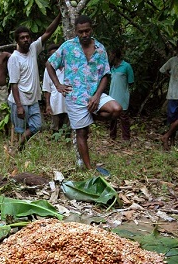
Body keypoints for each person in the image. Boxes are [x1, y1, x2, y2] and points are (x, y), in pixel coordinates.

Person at [46, 15, 122, 171]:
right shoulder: (68, 47)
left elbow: (105, 75)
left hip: (95, 95)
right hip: (74, 97)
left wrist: (96, 96)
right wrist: (58, 85)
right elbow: (49, 64)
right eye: (81, 32)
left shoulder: (100, 49)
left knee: (116, 109)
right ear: (76, 31)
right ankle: (89, 169)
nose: (84, 34)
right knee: (82, 132)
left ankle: (91, 117)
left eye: (87, 31)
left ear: (91, 29)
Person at [8, 13, 61, 150]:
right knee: (20, 129)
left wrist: (61, 15)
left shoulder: (33, 48)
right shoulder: (14, 58)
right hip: (19, 99)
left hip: (33, 100)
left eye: (27, 37)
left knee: (37, 126)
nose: (26, 40)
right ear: (17, 41)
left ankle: (19, 148)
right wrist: (19, 106)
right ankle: (17, 152)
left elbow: (48, 32)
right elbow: (13, 84)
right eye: (22, 38)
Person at [42, 44, 70, 136]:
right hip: (55, 102)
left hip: (68, 102)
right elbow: (47, 88)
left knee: (68, 128)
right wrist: (47, 105)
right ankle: (55, 146)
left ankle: (68, 145)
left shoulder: (69, 67)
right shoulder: (48, 70)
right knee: (55, 127)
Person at [109, 48, 134, 141]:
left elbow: (131, 82)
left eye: (110, 54)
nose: (109, 57)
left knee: (124, 118)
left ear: (114, 54)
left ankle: (126, 138)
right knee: (112, 117)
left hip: (122, 97)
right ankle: (112, 136)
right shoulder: (112, 68)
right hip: (112, 96)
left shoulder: (126, 66)